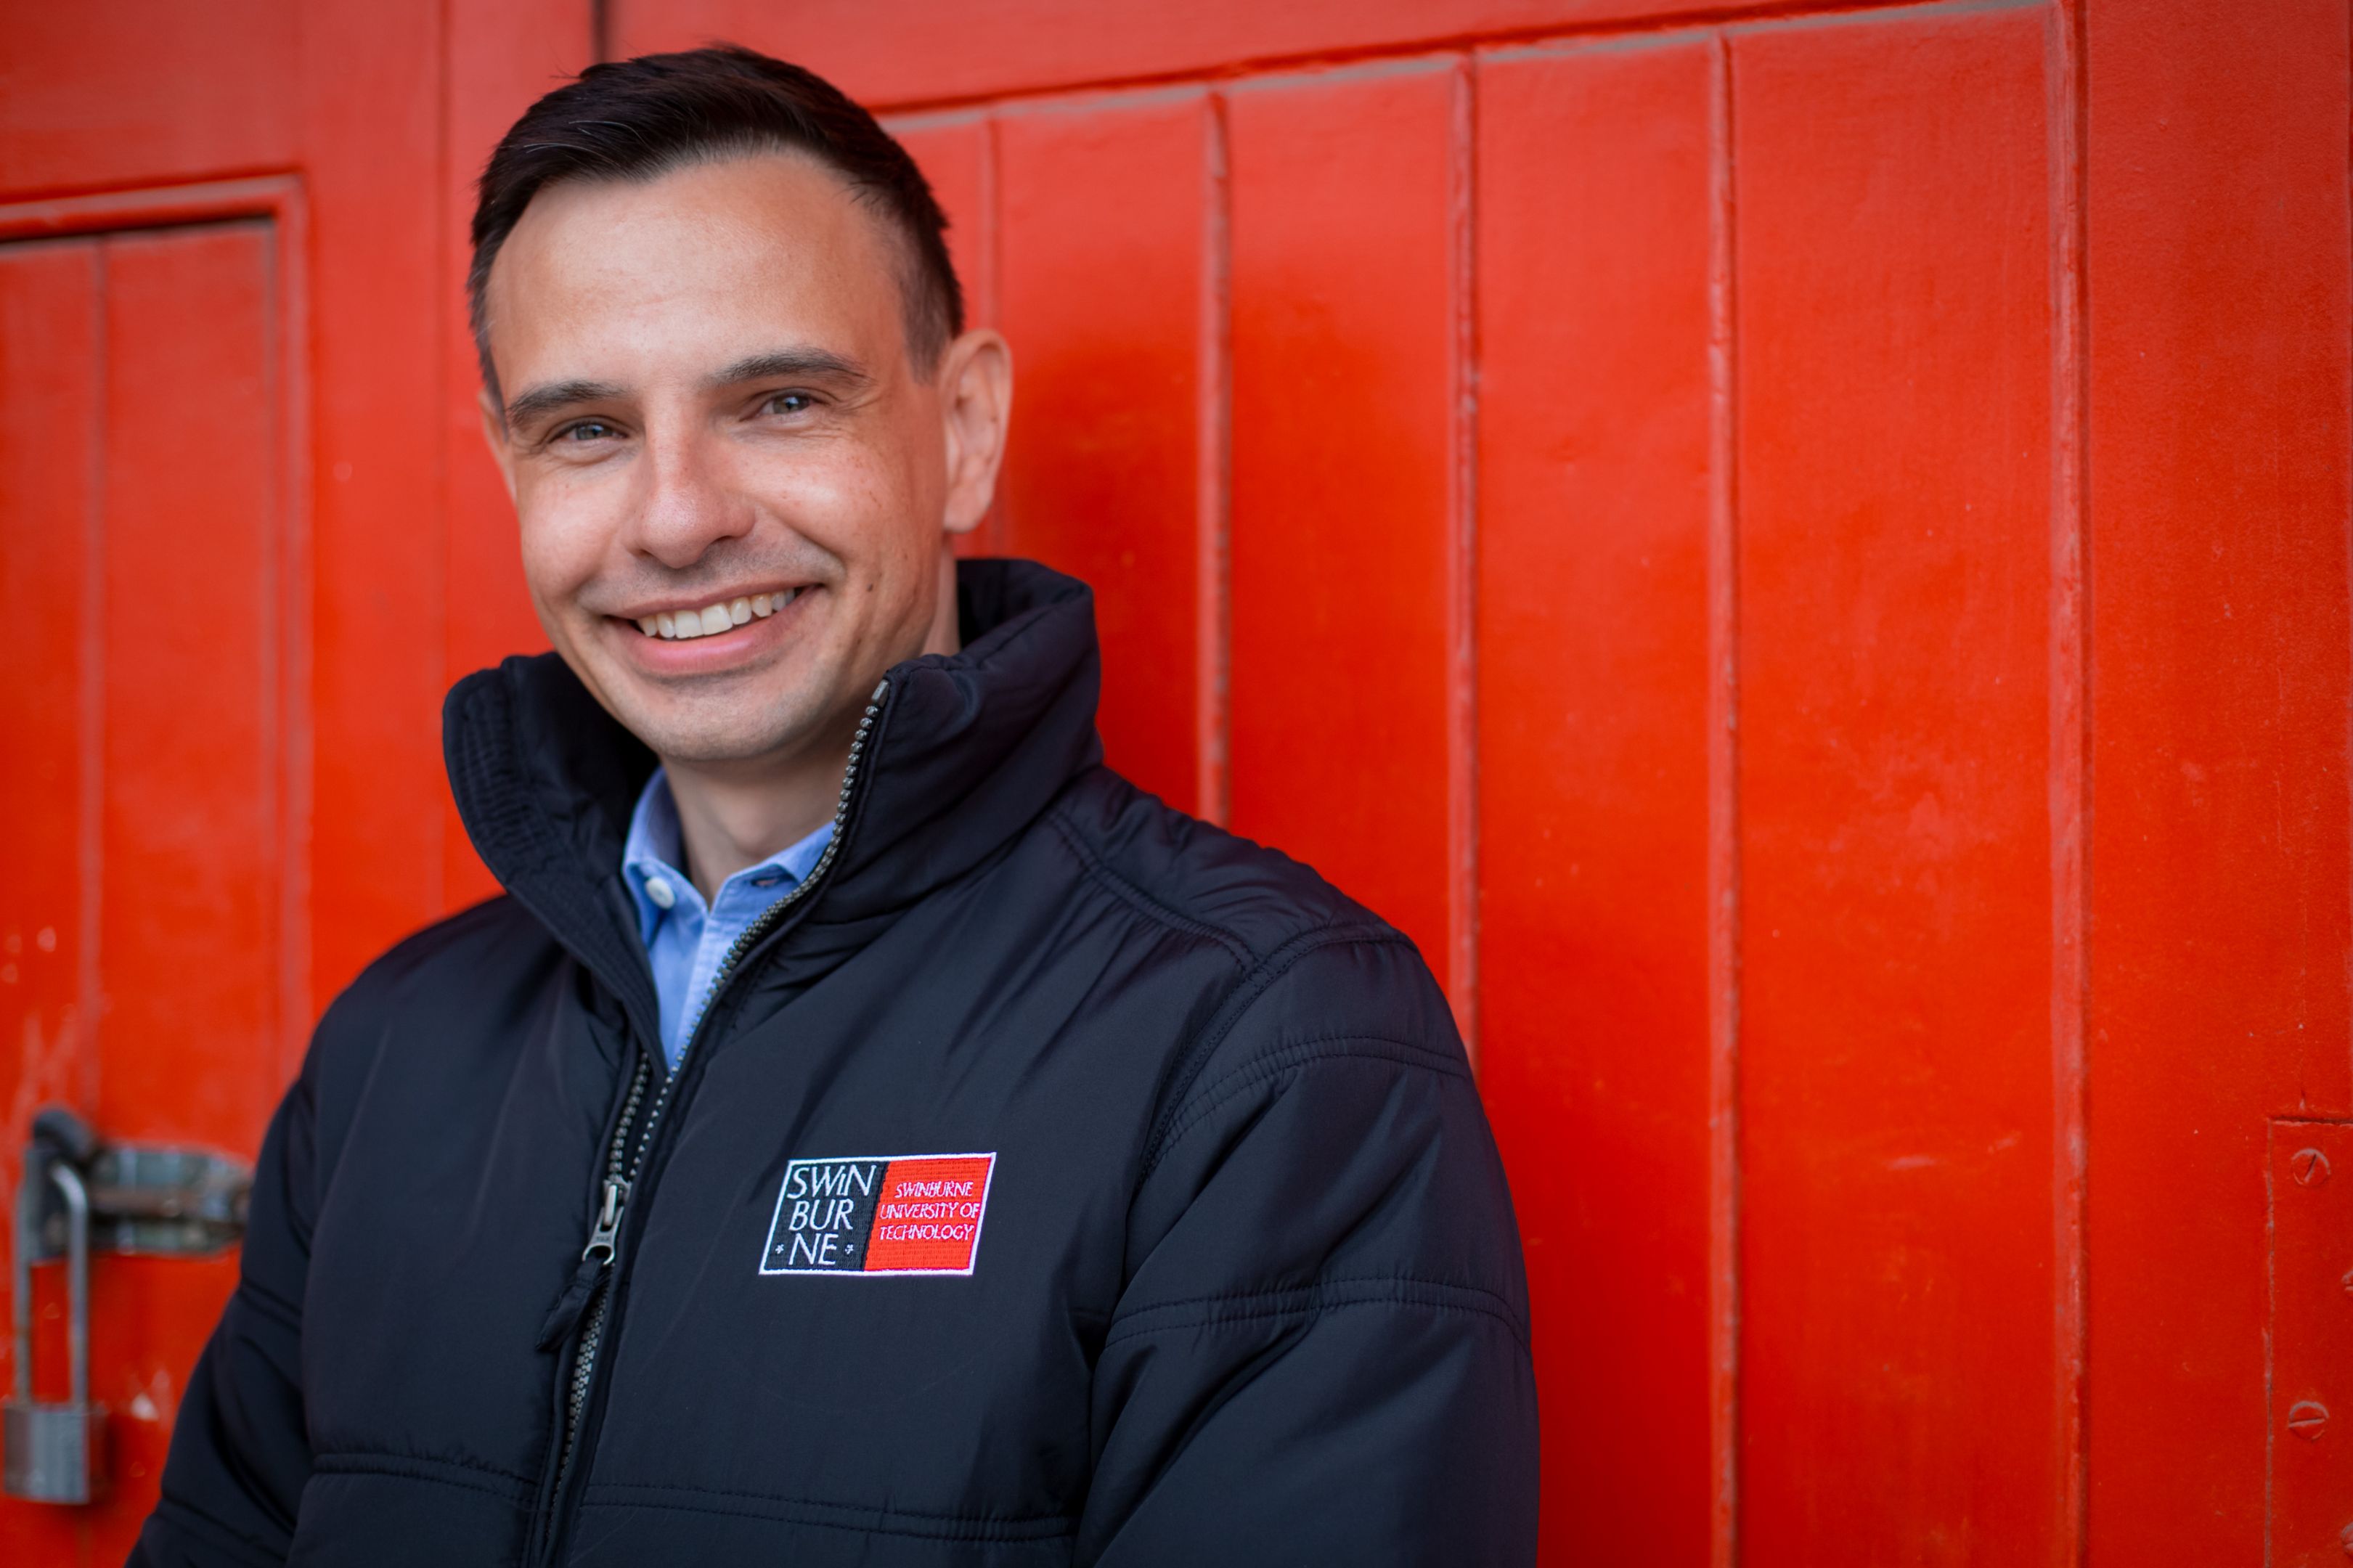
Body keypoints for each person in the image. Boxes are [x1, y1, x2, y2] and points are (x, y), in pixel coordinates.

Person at [132, 45, 1536, 1567]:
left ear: (966, 429)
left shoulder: (1267, 1045)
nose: (677, 517)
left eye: (782, 400)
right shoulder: (395, 1050)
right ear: (509, 464)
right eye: (587, 430)